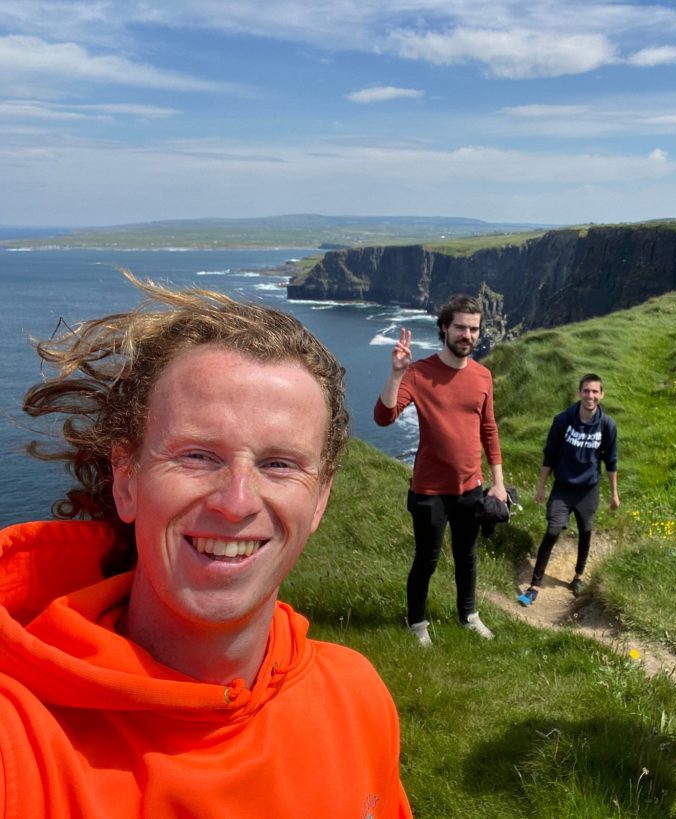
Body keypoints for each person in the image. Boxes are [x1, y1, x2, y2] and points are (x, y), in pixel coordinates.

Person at [0, 276, 412, 818]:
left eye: (279, 464)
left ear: (319, 501)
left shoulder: (358, 699)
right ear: (127, 480)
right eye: (197, 455)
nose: (237, 501)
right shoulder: (23, 737)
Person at [374, 294, 507, 647]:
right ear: (445, 328)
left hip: (471, 489)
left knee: (467, 557)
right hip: (429, 491)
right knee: (427, 560)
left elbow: (489, 430)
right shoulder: (419, 373)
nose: (468, 334)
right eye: (461, 327)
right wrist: (397, 374)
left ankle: (469, 616)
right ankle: (417, 624)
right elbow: (383, 418)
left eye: (474, 329)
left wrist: (498, 484)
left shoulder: (482, 376)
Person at [518, 373, 619, 605]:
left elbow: (611, 461)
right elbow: (549, 455)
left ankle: (578, 576)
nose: (590, 396)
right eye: (586, 390)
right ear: (579, 393)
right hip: (563, 487)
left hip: (589, 490)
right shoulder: (563, 420)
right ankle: (534, 585)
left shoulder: (607, 425)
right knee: (553, 531)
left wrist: (614, 494)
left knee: (586, 530)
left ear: (601, 395)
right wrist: (541, 487)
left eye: (595, 391)